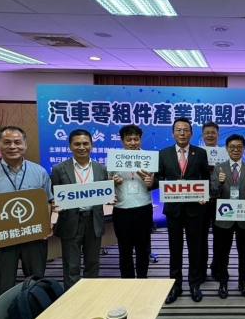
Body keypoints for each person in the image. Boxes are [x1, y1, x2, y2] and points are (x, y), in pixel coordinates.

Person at [0, 126, 53, 301]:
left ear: (25, 145)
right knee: (1, 285)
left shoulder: (39, 172)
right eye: (7, 142)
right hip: (1, 239)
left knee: (37, 282)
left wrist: (46, 224)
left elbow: (48, 202)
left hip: (33, 236)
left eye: (17, 142)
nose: (13, 146)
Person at [154, 117, 210, 303]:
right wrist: (162, 183)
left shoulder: (200, 153)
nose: (182, 133)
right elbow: (159, 178)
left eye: (186, 130)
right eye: (178, 130)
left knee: (195, 248)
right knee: (174, 249)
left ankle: (194, 284)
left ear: (191, 133)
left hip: (195, 210)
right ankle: (175, 285)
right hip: (174, 210)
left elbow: (206, 179)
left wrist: (204, 195)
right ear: (173, 133)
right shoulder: (164, 154)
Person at [50, 129, 109, 289]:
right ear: (70, 146)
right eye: (77, 144)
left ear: (92, 145)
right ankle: (72, 301)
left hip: (94, 221)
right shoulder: (58, 169)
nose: (82, 147)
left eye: (85, 143)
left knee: (93, 262)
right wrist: (54, 204)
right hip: (70, 222)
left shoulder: (101, 169)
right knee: (71, 265)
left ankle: (90, 296)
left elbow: (104, 193)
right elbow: (53, 195)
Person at [210, 135, 245, 298]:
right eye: (232, 147)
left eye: (239, 147)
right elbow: (213, 193)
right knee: (223, 253)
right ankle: (223, 283)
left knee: (244, 253)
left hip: (244, 218)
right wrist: (219, 182)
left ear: (243, 149)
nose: (235, 150)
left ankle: (243, 283)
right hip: (224, 219)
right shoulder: (219, 168)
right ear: (227, 149)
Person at [111, 125, 155, 279]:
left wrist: (150, 182)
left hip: (143, 208)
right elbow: (106, 184)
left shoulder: (149, 158)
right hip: (121, 210)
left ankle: (142, 279)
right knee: (124, 250)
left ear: (140, 139)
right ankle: (127, 282)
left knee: (143, 248)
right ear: (122, 141)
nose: (133, 142)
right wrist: (112, 182)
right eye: (128, 139)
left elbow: (154, 184)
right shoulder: (115, 159)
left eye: (136, 139)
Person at [201, 121, 220, 282]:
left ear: (218, 135)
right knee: (200, 237)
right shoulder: (197, 153)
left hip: (221, 200)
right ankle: (201, 270)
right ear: (202, 135)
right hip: (201, 201)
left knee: (220, 237)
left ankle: (217, 268)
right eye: (207, 132)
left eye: (213, 132)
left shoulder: (225, 153)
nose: (210, 135)